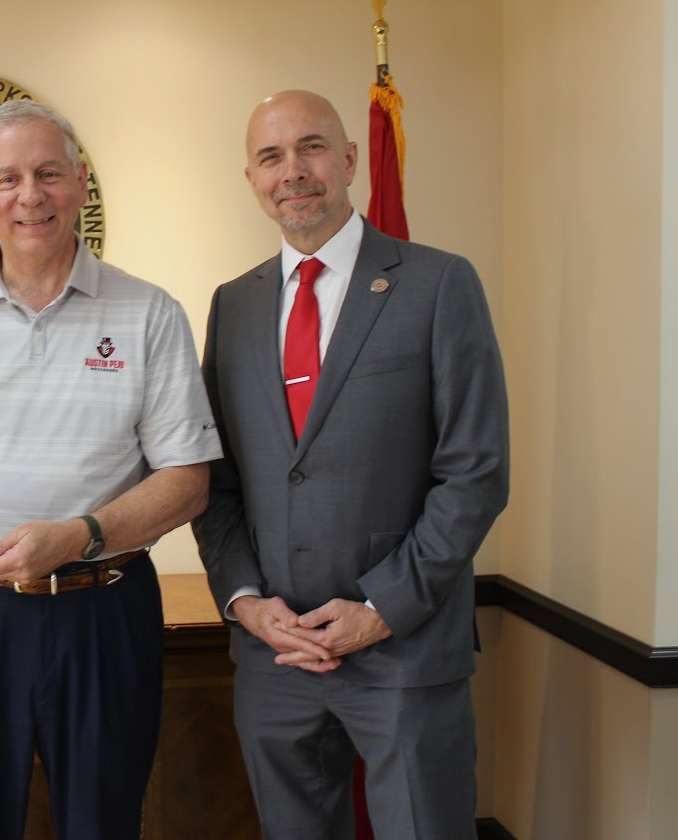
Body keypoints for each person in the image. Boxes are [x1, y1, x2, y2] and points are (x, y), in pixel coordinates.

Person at [0, 99, 222, 840]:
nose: (30, 196)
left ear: (81, 183)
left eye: (49, 173)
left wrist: (80, 535)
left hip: (105, 606)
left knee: (103, 824)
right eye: (8, 179)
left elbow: (188, 480)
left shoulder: (149, 314)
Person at [192, 89, 509, 839]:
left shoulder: (438, 283)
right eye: (271, 156)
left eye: (310, 147)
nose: (292, 171)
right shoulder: (233, 305)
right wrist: (244, 600)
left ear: (350, 160)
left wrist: (380, 609)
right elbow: (219, 479)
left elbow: (475, 472)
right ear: (251, 179)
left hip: (404, 647)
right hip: (276, 654)